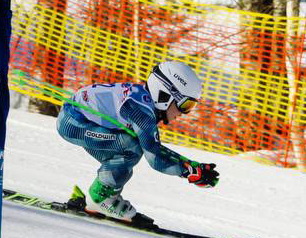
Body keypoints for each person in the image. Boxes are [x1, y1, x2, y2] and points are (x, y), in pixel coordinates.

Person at [56, 60, 220, 221]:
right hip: (73, 123)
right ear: (165, 95)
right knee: (131, 148)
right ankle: (100, 199)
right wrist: (189, 172)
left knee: (125, 154)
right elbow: (155, 159)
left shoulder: (143, 100)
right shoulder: (142, 111)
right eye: (186, 105)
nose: (184, 113)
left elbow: (153, 147)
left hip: (77, 119)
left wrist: (191, 166)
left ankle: (101, 196)